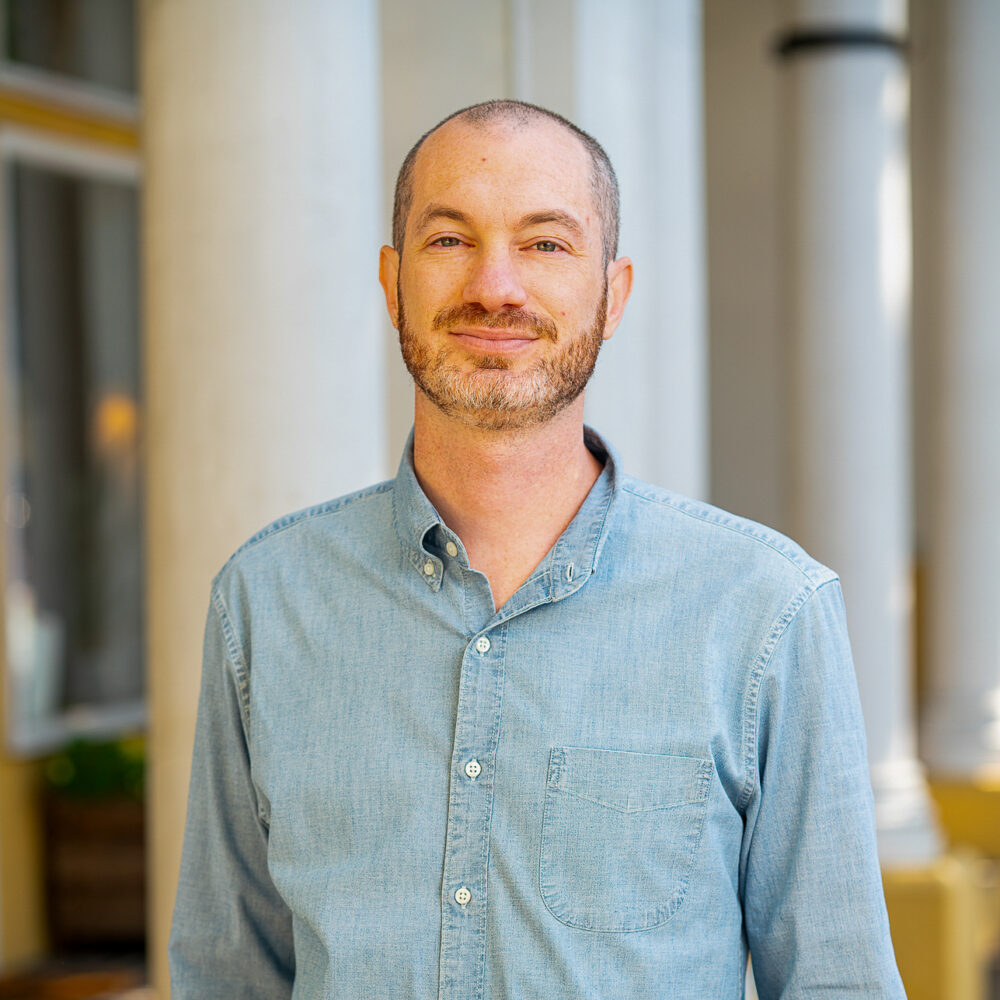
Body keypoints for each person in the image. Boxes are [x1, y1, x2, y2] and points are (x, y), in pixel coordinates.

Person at [169, 99, 905, 998]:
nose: (496, 286)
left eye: (546, 244)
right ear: (391, 280)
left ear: (614, 291)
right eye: (450, 240)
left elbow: (839, 984)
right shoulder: (266, 602)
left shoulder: (764, 611)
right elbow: (225, 978)